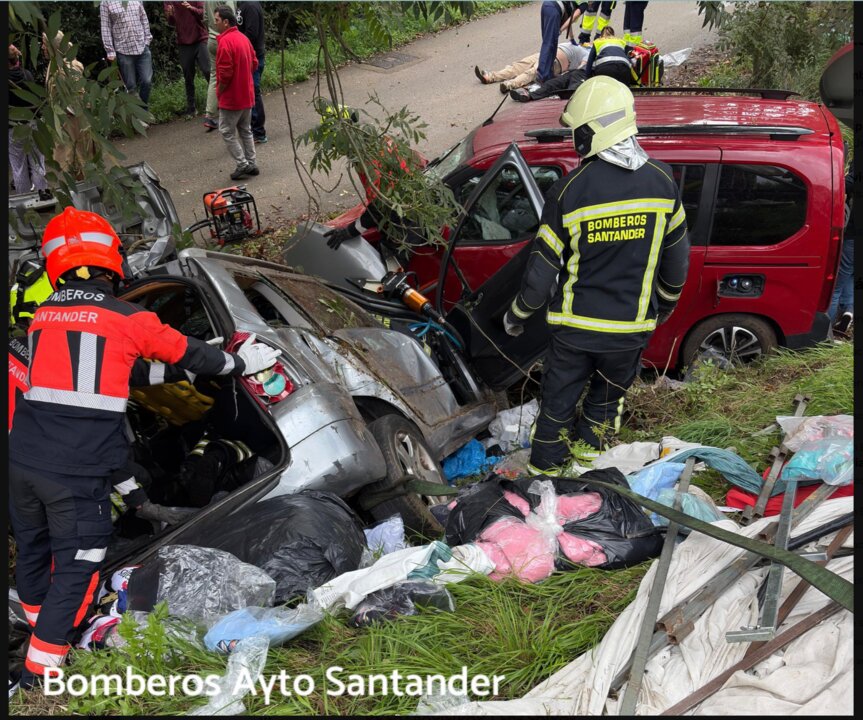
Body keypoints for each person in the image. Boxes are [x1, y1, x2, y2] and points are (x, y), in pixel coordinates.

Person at [9, 207, 280, 689]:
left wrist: (182, 374)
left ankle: (39, 629)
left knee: (35, 552)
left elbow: (123, 372)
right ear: (110, 260)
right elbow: (189, 351)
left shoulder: (45, 320)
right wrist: (234, 362)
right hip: (74, 476)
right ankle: (41, 675)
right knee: (79, 567)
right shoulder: (129, 317)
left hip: (24, 467)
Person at [503, 77, 689, 473]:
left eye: (578, 131)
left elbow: (540, 274)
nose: (575, 139)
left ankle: (546, 480)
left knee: (557, 405)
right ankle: (589, 472)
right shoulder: (663, 183)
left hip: (574, 331)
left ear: (592, 131)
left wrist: (516, 316)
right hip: (628, 331)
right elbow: (676, 266)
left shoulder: (570, 190)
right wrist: (665, 307)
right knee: (606, 403)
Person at [213, 4, 259, 180]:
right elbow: (254, 63)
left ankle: (243, 164)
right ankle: (251, 162)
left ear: (225, 22)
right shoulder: (243, 38)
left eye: (216, 20)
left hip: (232, 97)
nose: (215, 23)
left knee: (226, 131)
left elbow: (225, 75)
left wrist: (219, 92)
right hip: (246, 94)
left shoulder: (225, 42)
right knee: (245, 130)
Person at [8, 45, 50, 199]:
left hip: (12, 128)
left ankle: (24, 199)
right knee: (37, 161)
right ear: (17, 58)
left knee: (18, 165)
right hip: (32, 124)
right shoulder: (28, 76)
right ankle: (42, 193)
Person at [475, 41, 590, 93]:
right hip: (543, 54)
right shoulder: (577, 43)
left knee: (532, 72)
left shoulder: (588, 53)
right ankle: (490, 77)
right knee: (517, 66)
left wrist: (564, 74)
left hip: (554, 62)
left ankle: (509, 84)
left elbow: (582, 67)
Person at [99, 0, 153, 111]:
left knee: (147, 81)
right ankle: (138, 116)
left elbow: (143, 18)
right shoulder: (106, 2)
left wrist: (147, 40)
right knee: (131, 87)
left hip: (142, 47)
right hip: (123, 50)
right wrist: (110, 50)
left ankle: (143, 112)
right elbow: (105, 27)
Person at [164, 1, 209, 117]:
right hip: (183, 42)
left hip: (200, 39)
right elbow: (172, 22)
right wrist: (170, 15)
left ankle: (219, 101)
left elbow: (203, 14)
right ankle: (191, 108)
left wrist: (191, 8)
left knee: (208, 70)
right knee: (188, 76)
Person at [202, 0, 236, 131]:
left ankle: (209, 115)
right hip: (225, 39)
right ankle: (231, 111)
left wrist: (212, 30)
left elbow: (205, 18)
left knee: (214, 76)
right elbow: (231, 16)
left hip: (211, 40)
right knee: (231, 73)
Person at [829, 163, 854, 335]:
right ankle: (847, 312)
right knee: (851, 276)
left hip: (853, 237)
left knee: (836, 284)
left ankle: (825, 331)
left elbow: (843, 183)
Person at [237, 0, 267, 143]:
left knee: (253, 91)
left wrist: (238, 47)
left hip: (253, 56)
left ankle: (259, 133)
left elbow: (251, 33)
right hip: (245, 56)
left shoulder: (250, 5)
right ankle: (250, 130)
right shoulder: (242, 5)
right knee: (247, 92)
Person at [537, 2, 587, 84]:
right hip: (554, 9)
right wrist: (560, 30)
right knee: (550, 44)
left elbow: (569, 18)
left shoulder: (573, 3)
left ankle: (547, 73)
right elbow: (573, 17)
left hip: (546, 5)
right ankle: (543, 76)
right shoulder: (584, 4)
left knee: (548, 42)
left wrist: (572, 38)